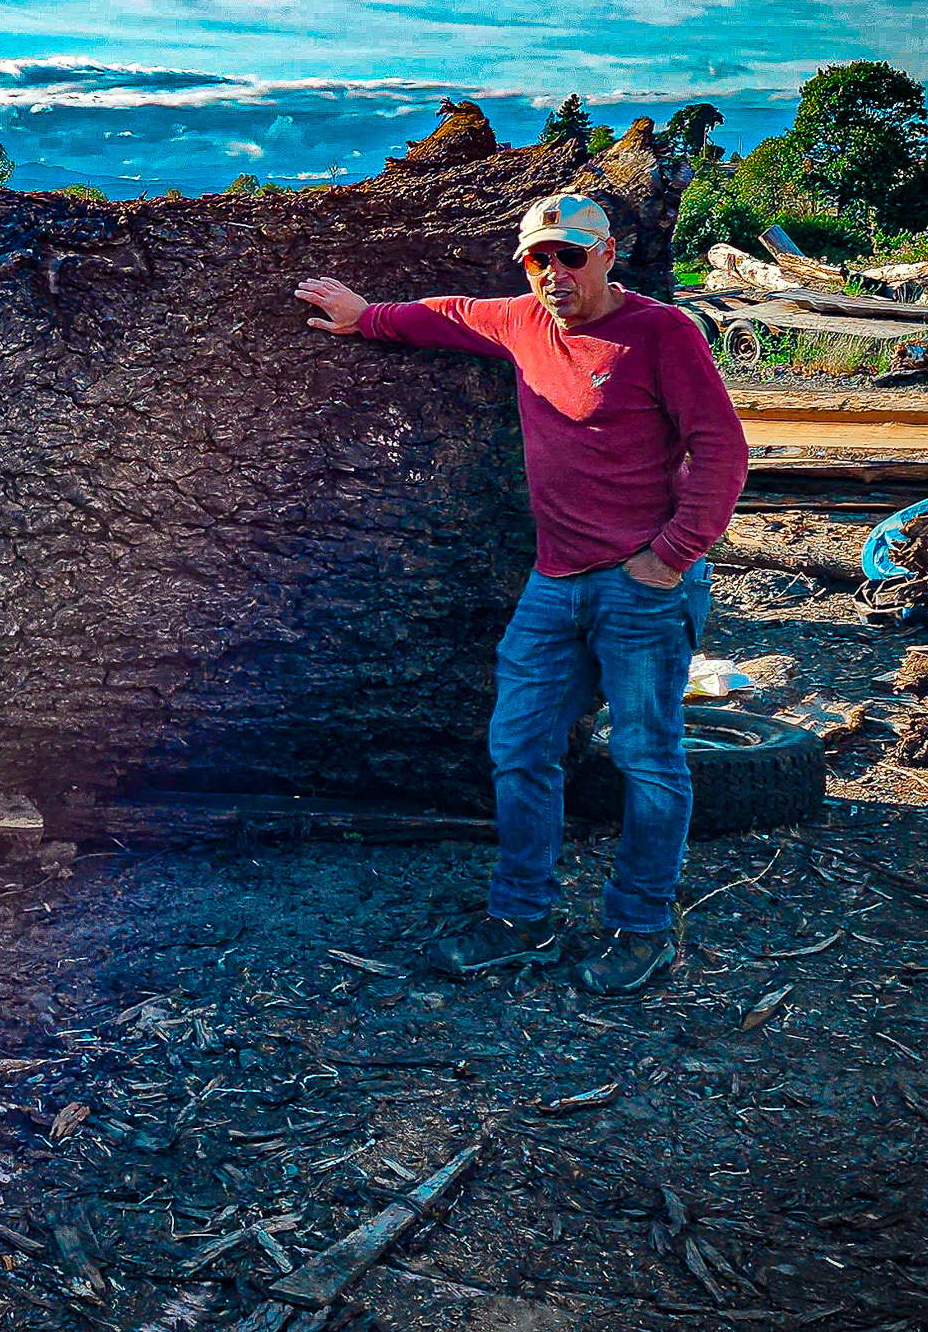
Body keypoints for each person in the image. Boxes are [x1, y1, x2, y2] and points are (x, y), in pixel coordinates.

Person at [295, 193, 748, 995]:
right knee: (520, 745)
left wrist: (670, 558)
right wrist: (366, 317)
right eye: (538, 258)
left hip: (643, 586)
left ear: (608, 254)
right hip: (555, 582)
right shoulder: (524, 320)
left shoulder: (660, 333)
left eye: (571, 256)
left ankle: (642, 928)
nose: (553, 273)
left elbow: (722, 449)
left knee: (647, 757)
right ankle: (524, 919)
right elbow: (452, 315)